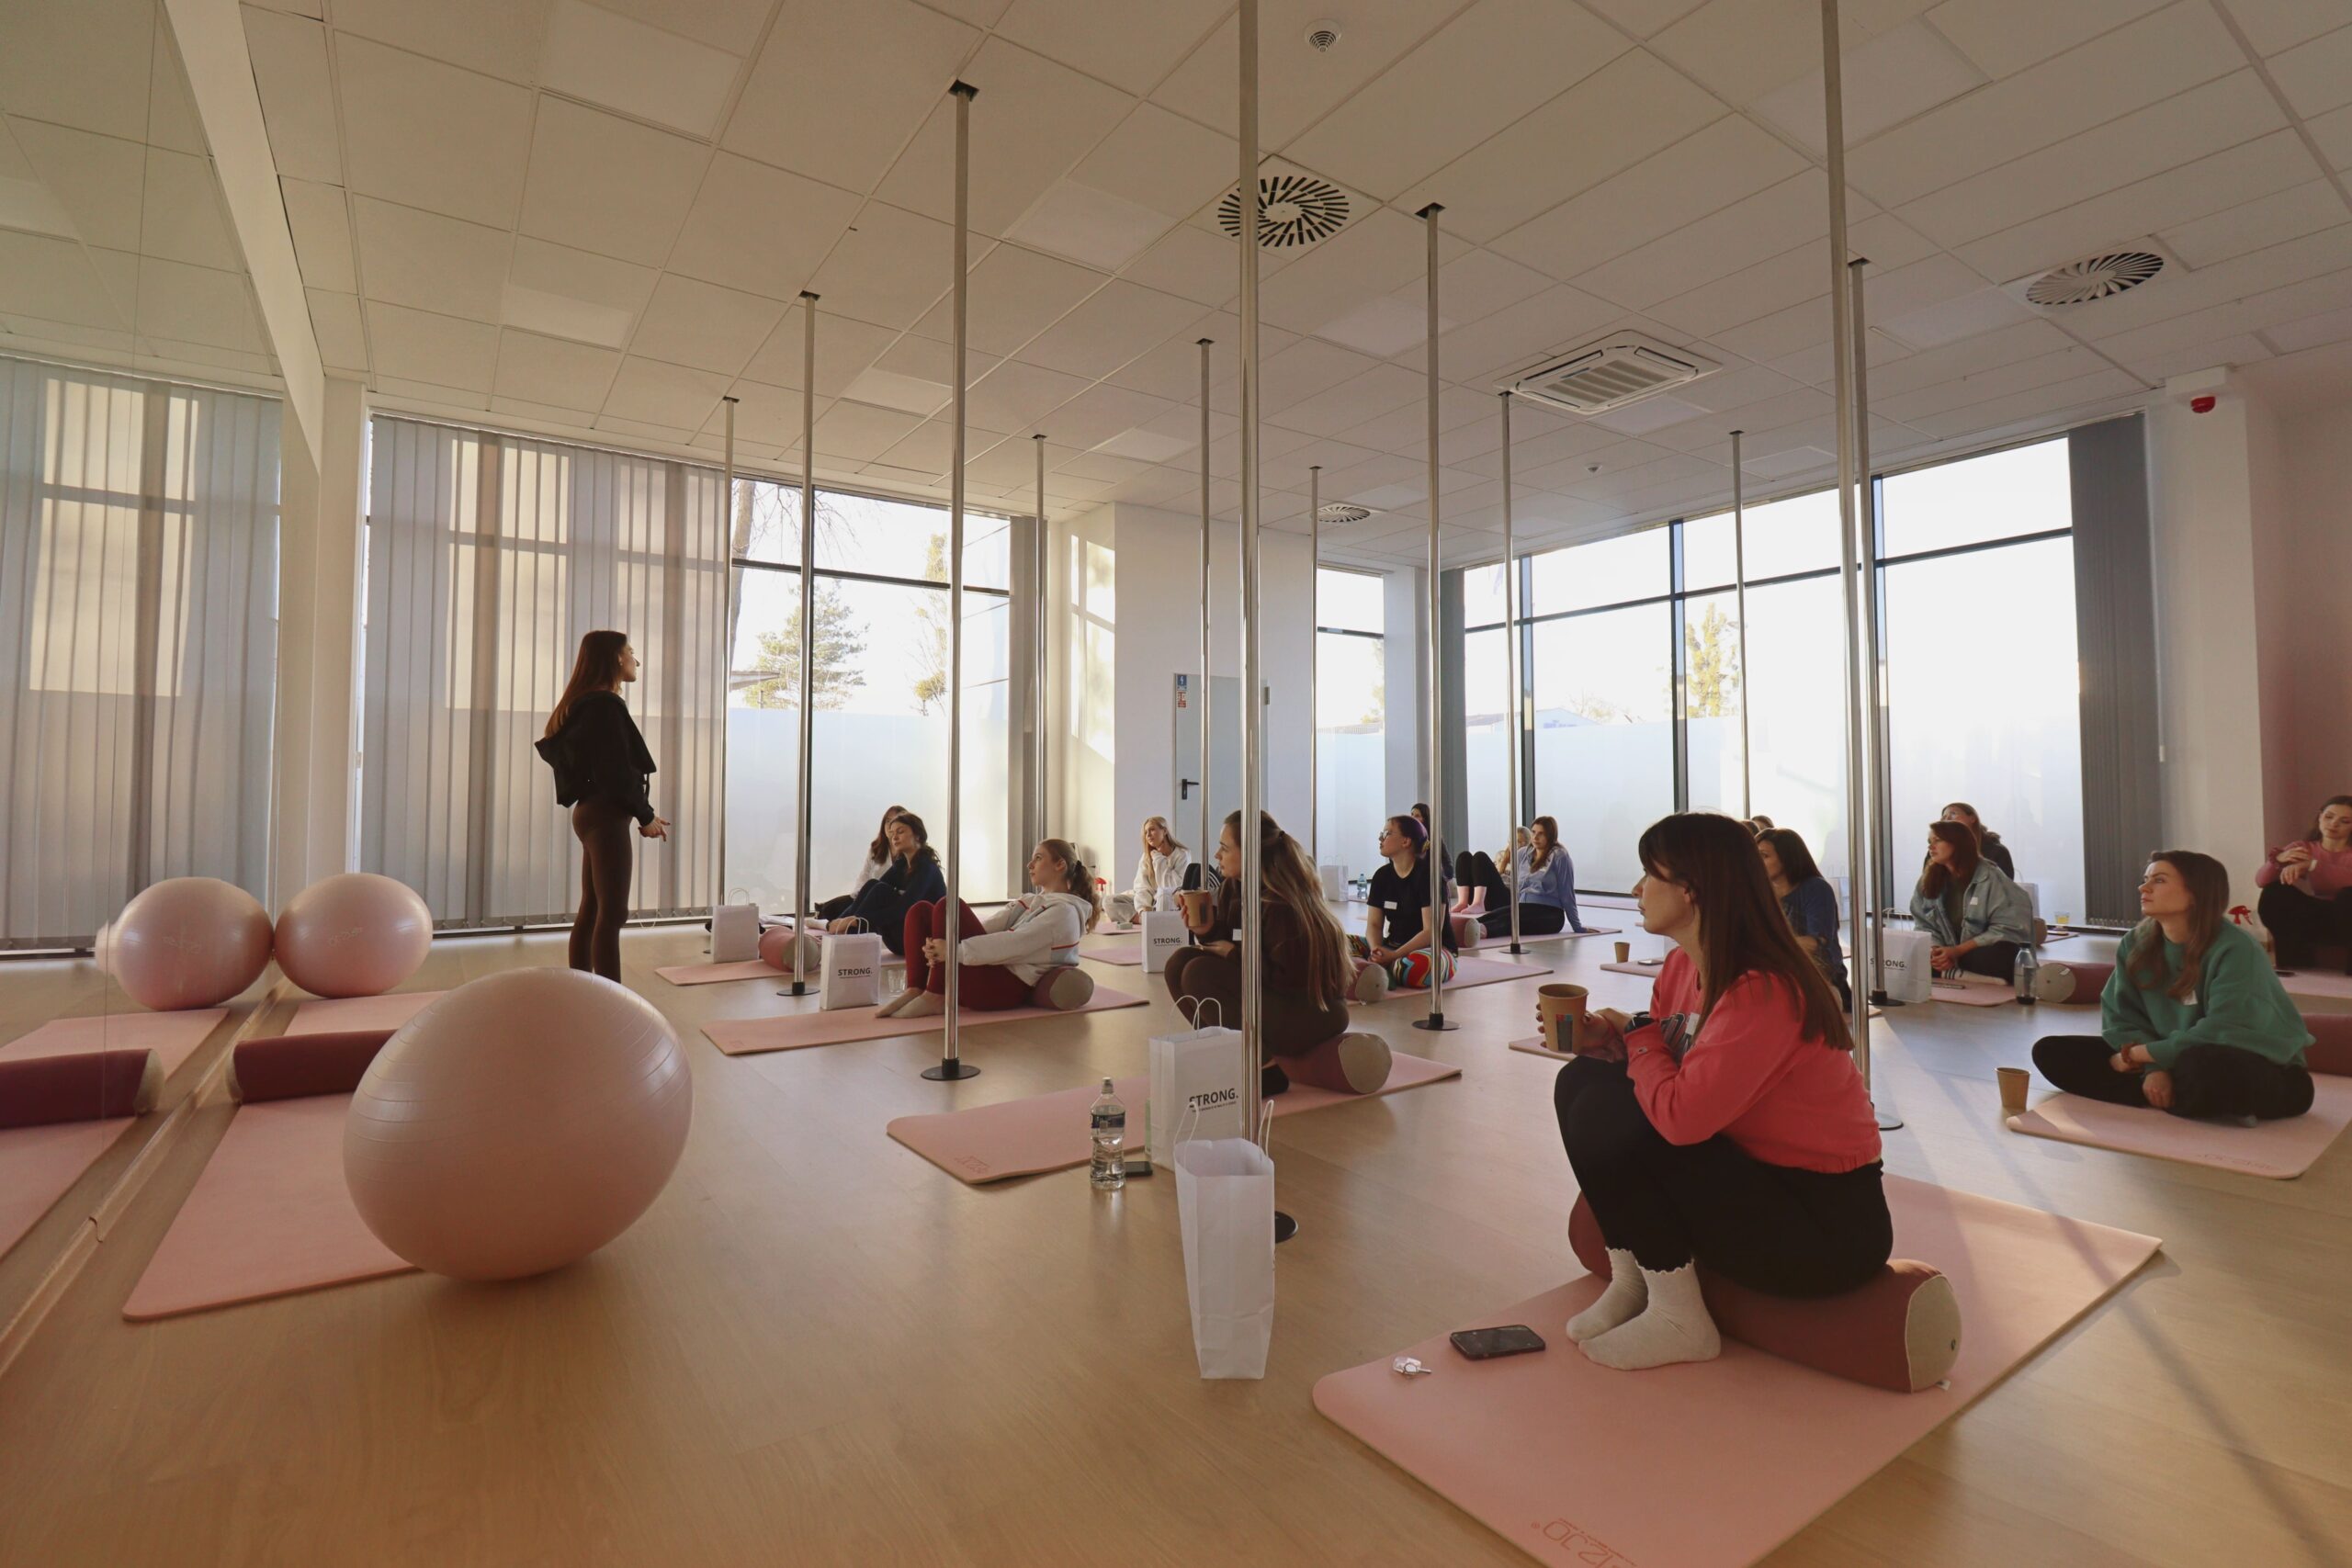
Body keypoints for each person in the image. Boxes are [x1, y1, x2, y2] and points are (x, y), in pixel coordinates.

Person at [1551, 811, 1888, 1371]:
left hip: (1822, 1227)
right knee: (1582, 1079)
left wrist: (1636, 1035)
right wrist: (1613, 1042)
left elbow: (1680, 1117)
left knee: (1616, 1110)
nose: (1636, 889)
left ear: (1692, 890)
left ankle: (1680, 1317)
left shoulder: (1766, 989)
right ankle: (1635, 1278)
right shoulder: (1681, 966)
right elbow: (1674, 1058)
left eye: (1649, 875)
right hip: (1748, 1179)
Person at [2032, 852, 2314, 1122]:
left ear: (2195, 893)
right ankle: (2177, 1095)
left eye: (2159, 880)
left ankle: (2178, 1093)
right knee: (2052, 1051)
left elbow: (2223, 1030)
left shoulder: (2236, 948)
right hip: (2172, 1056)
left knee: (2200, 1067)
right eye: (2146, 879)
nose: (2143, 887)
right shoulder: (2136, 942)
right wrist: (2154, 1067)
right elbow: (2120, 1015)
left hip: (2254, 1063)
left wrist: (2139, 1055)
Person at [1167, 810, 1392, 1097]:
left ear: (1251, 853)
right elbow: (1231, 944)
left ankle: (1265, 1071)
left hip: (1310, 1009)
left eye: (1225, 848)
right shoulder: (1233, 888)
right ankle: (1225, 1052)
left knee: (1198, 973)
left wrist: (1234, 955)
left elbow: (1287, 979)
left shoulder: (1283, 903)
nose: (1216, 855)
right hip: (1271, 994)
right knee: (1180, 963)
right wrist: (1207, 930)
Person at [536, 630, 667, 984]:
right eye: (631, 652)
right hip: (606, 816)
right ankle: (611, 1001)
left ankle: (584, 991)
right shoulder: (605, 706)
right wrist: (645, 815)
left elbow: (607, 769)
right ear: (615, 658)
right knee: (613, 914)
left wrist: (644, 812)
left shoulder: (585, 704)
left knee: (593, 909)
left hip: (592, 813)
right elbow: (615, 771)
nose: (636, 661)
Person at [879, 839, 1100, 1017]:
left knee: (949, 905)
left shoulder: (1063, 913)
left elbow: (1014, 944)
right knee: (921, 911)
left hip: (1003, 988)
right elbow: (987, 928)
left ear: (1060, 865)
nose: (1029, 865)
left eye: (1038, 858)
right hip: (992, 974)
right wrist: (938, 947)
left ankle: (936, 995)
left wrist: (954, 951)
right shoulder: (1031, 901)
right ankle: (916, 988)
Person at [1909, 819, 2033, 980]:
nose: (1931, 847)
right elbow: (1924, 924)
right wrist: (1936, 950)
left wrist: (1956, 952)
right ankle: (1960, 973)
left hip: (1976, 950)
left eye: (1937, 840)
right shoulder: (1928, 879)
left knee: (2001, 958)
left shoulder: (1991, 877)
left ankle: (1953, 971)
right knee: (1914, 954)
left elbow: (2007, 928)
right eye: (1929, 842)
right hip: (1949, 950)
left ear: (1958, 843)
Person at [2255, 795, 2352, 972]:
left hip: (2347, 915)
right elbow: (2261, 881)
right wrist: (2279, 860)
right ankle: (2294, 965)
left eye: (2344, 821)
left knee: (2348, 896)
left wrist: (2313, 865)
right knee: (2275, 892)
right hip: (2322, 915)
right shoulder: (2304, 847)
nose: (2333, 824)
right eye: (2329, 817)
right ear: (2320, 817)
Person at [826, 812, 944, 955]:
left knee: (881, 891)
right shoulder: (902, 864)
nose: (894, 837)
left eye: (900, 832)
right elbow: (873, 890)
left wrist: (858, 921)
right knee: (874, 884)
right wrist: (842, 920)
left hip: (924, 942)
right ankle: (838, 930)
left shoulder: (926, 867)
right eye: (892, 833)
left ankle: (845, 934)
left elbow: (903, 909)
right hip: (901, 939)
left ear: (918, 835)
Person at [1362, 815, 1458, 988]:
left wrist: (1394, 955)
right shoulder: (1381, 876)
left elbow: (1431, 931)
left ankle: (1374, 971)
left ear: (1406, 841)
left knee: (1415, 967)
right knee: (1338, 944)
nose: (1381, 838)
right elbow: (1374, 925)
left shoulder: (1429, 876)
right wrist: (1376, 950)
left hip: (1431, 950)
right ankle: (1380, 969)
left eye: (1387, 833)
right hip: (1392, 946)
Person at [1758, 828, 1847, 1009]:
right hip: (1779, 969)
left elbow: (1817, 942)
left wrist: (1768, 945)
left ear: (1786, 857)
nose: (1758, 862)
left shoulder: (1815, 888)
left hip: (1818, 972)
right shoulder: (1762, 891)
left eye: (1764, 856)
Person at [1454, 816, 1586, 938]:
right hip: (1524, 906)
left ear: (1550, 836)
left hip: (1550, 913)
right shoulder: (1523, 853)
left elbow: (1567, 893)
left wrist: (1577, 926)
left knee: (1508, 921)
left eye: (1541, 833)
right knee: (1495, 915)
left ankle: (1476, 933)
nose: (1535, 837)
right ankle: (1459, 929)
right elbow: (1516, 887)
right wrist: (1514, 906)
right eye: (1533, 832)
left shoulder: (1559, 856)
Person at [815, 805, 908, 919]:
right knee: (831, 909)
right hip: (865, 894)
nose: (890, 825)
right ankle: (825, 913)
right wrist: (858, 894)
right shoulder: (876, 848)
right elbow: (864, 875)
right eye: (888, 821)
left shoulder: (908, 854)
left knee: (843, 911)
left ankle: (832, 920)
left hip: (884, 900)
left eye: (895, 821)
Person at [1126, 817, 1193, 920]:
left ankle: (1149, 919)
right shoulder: (1146, 856)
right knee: (1110, 901)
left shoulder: (1182, 854)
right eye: (1146, 832)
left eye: (1152, 830)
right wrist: (1143, 908)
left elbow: (1172, 886)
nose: (1148, 835)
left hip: (1169, 901)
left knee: (1163, 894)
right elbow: (1141, 887)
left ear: (1164, 831)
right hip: (1150, 902)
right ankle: (1145, 918)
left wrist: (1158, 859)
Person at [1939, 802, 2014, 879]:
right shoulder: (1940, 851)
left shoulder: (1998, 851)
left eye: (1953, 814)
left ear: (1972, 818)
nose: (1947, 819)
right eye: (1944, 817)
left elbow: (2005, 884)